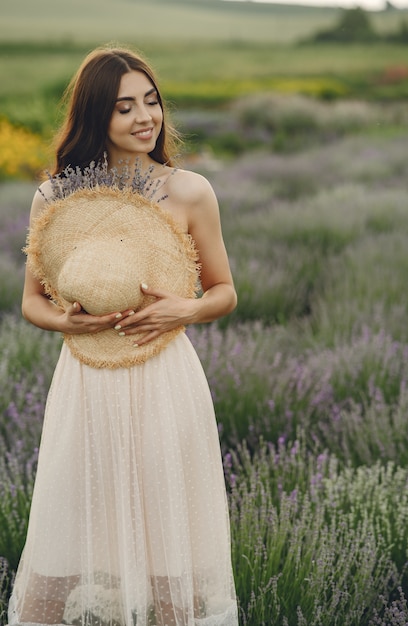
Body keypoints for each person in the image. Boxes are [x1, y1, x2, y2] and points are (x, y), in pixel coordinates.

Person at [8, 45, 238, 626]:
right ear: (94, 118)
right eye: (123, 107)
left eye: (152, 101)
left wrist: (182, 310)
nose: (145, 117)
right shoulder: (55, 197)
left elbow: (224, 292)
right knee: (79, 517)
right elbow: (32, 302)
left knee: (166, 530)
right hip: (86, 380)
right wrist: (66, 321)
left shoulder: (189, 191)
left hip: (165, 378)